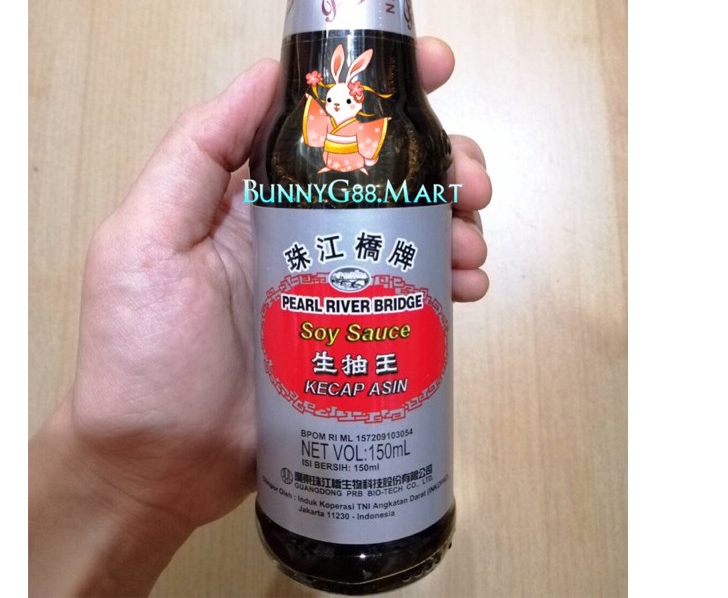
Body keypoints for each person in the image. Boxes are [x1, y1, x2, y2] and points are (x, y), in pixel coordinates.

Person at [29, 37, 492, 597]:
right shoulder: (296, 126)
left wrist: (119, 484)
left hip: (412, 491)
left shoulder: (385, 122)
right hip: (298, 484)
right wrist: (119, 475)